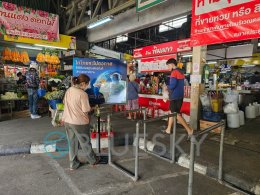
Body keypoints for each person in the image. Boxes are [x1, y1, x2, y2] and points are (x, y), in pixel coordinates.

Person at [62, 74, 100, 170]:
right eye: (87, 84)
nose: (88, 86)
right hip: (79, 122)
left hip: (67, 120)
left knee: (72, 143)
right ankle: (92, 160)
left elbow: (64, 102)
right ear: (83, 83)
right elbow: (86, 110)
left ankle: (73, 164)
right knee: (85, 142)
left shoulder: (69, 90)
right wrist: (94, 108)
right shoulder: (82, 94)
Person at [161, 58, 193, 136]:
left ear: (172, 64)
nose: (168, 67)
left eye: (168, 65)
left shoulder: (174, 72)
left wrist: (166, 87)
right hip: (180, 96)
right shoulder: (181, 72)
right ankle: (168, 129)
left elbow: (172, 86)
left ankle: (189, 130)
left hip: (174, 96)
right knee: (172, 112)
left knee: (175, 114)